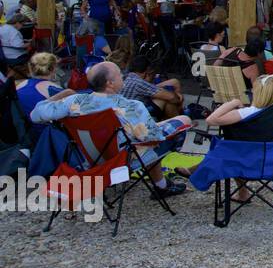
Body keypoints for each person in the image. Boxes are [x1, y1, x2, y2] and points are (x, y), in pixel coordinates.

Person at [30, 61, 191, 196]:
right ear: (110, 83)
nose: (124, 78)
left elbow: (35, 115)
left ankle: (161, 185)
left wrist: (64, 94)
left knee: (139, 138)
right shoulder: (131, 106)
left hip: (88, 160)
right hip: (122, 161)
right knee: (181, 122)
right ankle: (161, 186)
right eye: (120, 75)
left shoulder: (74, 102)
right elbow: (152, 138)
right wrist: (169, 124)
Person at [206, 73, 273, 203]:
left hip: (241, 165)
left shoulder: (245, 113)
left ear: (259, 93)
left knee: (232, 150)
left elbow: (211, 120)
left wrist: (234, 102)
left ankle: (242, 191)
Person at [13, 52, 76, 119]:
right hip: (40, 127)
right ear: (52, 69)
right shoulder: (53, 89)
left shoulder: (21, 84)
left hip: (19, 123)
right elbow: (75, 113)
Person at [120, 54, 184, 119]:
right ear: (147, 71)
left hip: (123, 115)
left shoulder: (125, 77)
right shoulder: (139, 82)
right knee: (164, 99)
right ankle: (179, 122)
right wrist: (179, 99)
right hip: (133, 118)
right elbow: (172, 97)